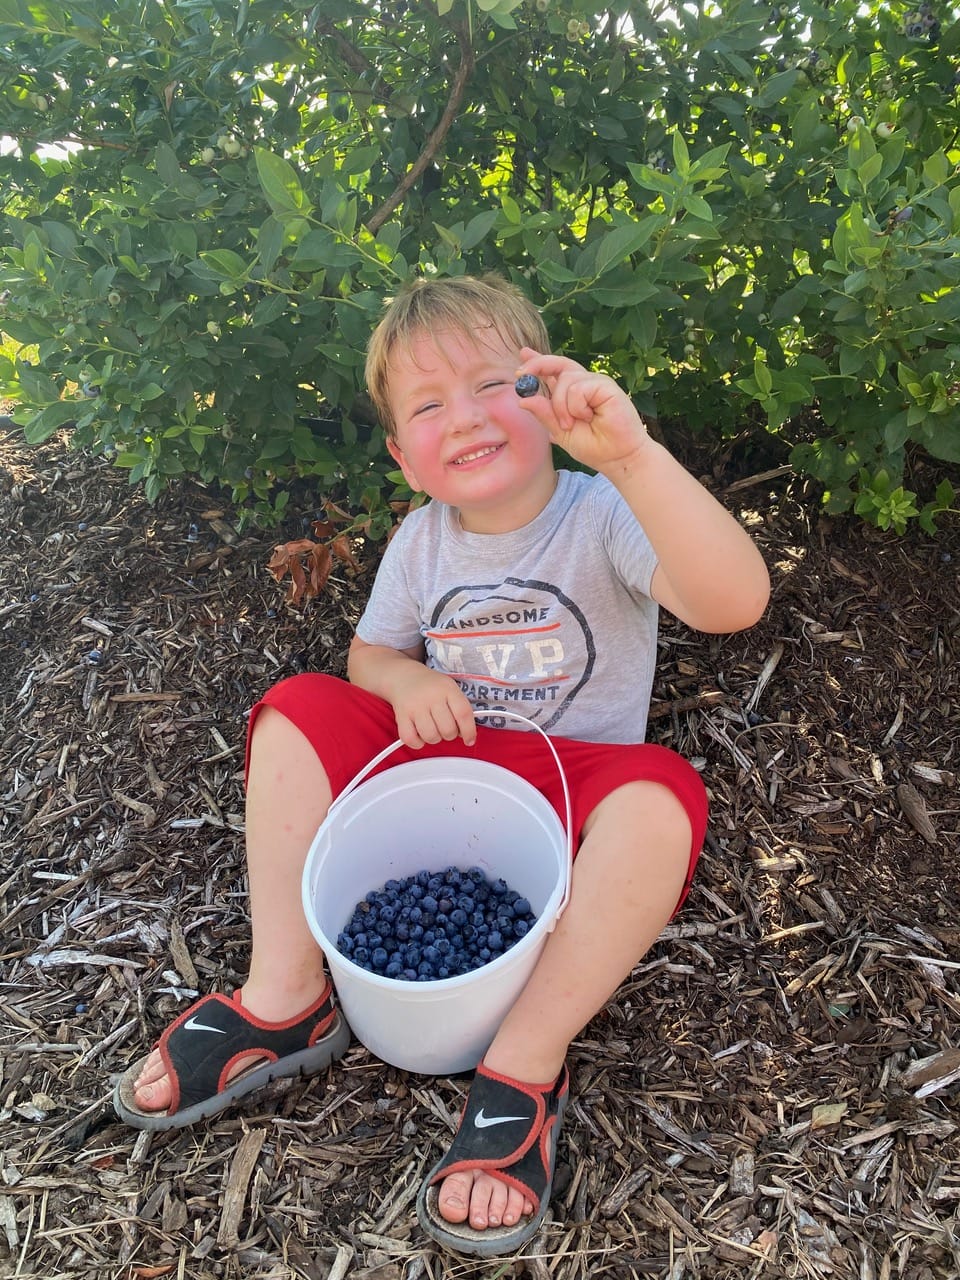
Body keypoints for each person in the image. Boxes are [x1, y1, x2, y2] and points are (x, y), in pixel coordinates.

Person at [115, 273, 769, 1257]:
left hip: (563, 775)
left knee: (663, 796)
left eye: (490, 384)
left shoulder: (601, 515)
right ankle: (284, 998)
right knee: (294, 709)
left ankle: (524, 1061)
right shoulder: (422, 541)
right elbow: (370, 656)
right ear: (402, 456)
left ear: (547, 395)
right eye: (427, 405)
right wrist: (399, 679)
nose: (461, 417)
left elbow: (735, 600)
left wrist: (634, 458)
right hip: (442, 761)